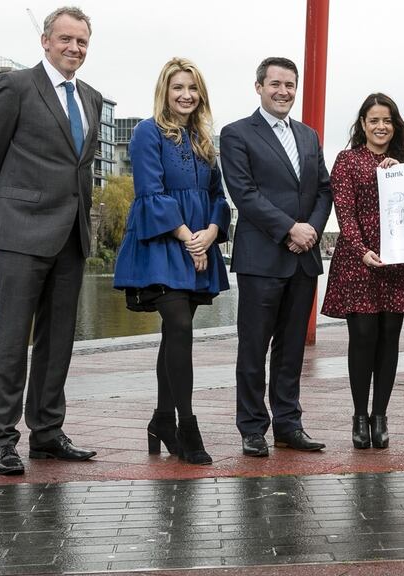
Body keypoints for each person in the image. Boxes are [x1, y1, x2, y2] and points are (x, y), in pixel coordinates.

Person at [0, 6, 100, 475]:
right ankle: (2, 440)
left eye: (82, 41)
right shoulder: (16, 86)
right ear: (46, 41)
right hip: (20, 230)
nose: (74, 48)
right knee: (10, 339)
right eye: (65, 39)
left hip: (71, 235)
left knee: (58, 339)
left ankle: (47, 432)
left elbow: (80, 169)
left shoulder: (92, 97)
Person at [112, 58, 230, 465]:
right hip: (163, 244)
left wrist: (211, 233)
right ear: (165, 90)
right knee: (178, 326)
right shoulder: (148, 132)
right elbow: (150, 191)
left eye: (193, 88)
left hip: (199, 243)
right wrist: (188, 238)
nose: (186, 95)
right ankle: (186, 425)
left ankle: (162, 419)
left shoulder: (202, 138)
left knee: (175, 335)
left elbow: (218, 197)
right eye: (178, 87)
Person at [219, 57, 333, 457]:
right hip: (261, 258)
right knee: (253, 347)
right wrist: (290, 228)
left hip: (303, 259)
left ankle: (289, 424)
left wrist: (313, 230)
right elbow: (243, 193)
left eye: (290, 85)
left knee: (291, 349)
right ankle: (252, 427)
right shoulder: (235, 134)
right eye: (276, 84)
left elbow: (323, 190)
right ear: (259, 87)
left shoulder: (309, 135)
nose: (283, 91)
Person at [321, 94, 404, 449]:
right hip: (358, 262)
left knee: (389, 339)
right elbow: (344, 212)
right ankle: (359, 415)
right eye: (374, 120)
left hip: (397, 262)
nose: (381, 127)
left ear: (394, 125)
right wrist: (362, 250)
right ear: (362, 124)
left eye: (387, 120)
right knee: (363, 338)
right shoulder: (347, 160)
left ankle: (380, 415)